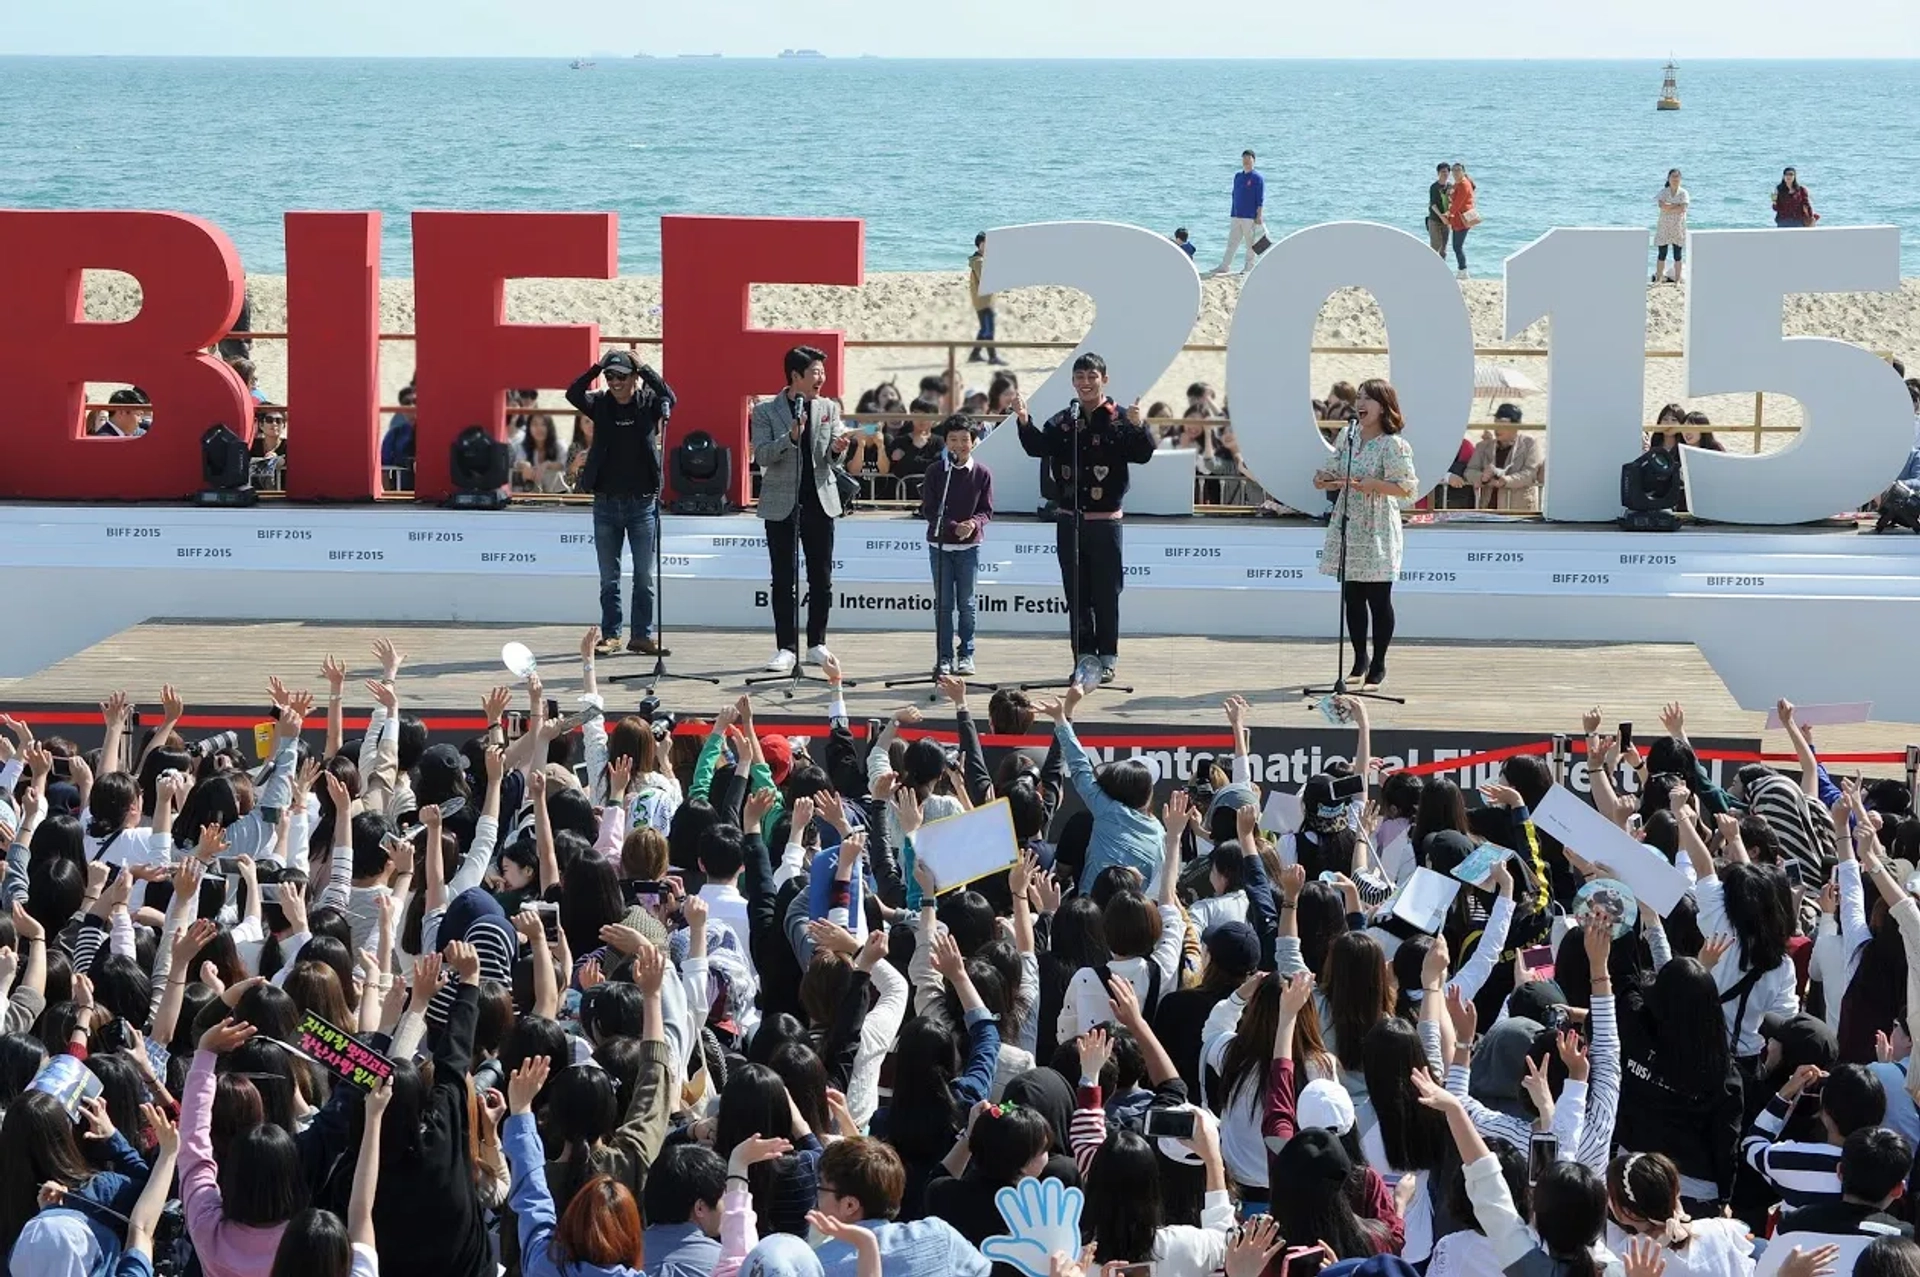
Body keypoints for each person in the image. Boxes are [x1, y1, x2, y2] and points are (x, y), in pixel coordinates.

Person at [1012, 354, 1157, 684]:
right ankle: (1083, 658)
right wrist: (1023, 420)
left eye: (1092, 376)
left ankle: (1107, 657)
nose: (1086, 383)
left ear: (1104, 379)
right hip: (1069, 519)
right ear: (1073, 382)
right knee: (1076, 593)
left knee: (1106, 592)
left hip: (1106, 521)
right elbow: (1038, 447)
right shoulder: (1065, 420)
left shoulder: (1120, 418)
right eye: (1080, 377)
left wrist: (1139, 426)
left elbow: (1143, 454)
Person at [749, 345, 854, 675]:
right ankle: (786, 648)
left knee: (821, 577)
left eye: (823, 372)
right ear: (796, 376)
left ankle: (817, 644)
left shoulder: (828, 407)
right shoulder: (766, 411)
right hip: (781, 503)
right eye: (815, 372)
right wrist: (790, 438)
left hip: (820, 501)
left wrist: (838, 450)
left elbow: (829, 456)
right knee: (783, 579)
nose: (821, 378)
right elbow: (762, 455)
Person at [566, 349, 674, 659]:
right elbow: (573, 393)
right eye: (609, 376)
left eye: (620, 376)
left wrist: (645, 367)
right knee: (608, 578)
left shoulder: (649, 403)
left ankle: (641, 636)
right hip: (606, 504)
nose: (614, 382)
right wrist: (597, 367)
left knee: (643, 576)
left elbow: (671, 398)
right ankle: (611, 635)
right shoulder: (599, 403)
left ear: (634, 378)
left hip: (642, 505)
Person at [1314, 379, 1417, 689]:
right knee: (1353, 595)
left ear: (1383, 406)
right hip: (1349, 519)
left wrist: (1374, 484)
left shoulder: (1393, 444)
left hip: (1377, 525)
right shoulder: (1349, 435)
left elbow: (1407, 488)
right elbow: (1335, 468)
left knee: (1378, 597)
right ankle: (1360, 658)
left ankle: (1380, 662)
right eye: (1358, 397)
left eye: (1367, 398)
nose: (1361, 403)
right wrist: (1324, 479)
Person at [920, 415, 995, 676]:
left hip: (969, 548)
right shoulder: (935, 472)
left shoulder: (982, 473)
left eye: (965, 440)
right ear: (945, 442)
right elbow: (929, 510)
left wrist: (973, 524)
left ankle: (966, 654)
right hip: (940, 547)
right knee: (943, 605)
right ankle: (943, 657)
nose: (959, 445)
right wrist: (953, 527)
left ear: (974, 442)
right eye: (953, 439)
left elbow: (987, 510)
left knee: (967, 604)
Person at [1465, 404, 1543, 511]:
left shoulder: (1529, 444)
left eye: (1503, 425)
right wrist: (1482, 477)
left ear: (1516, 427)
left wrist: (1506, 480)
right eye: (1495, 424)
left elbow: (1531, 473)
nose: (1497, 429)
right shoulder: (1483, 446)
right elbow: (1469, 471)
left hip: (1518, 509)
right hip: (1487, 507)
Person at [1210, 150, 1265, 277]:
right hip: (1236, 214)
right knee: (1232, 242)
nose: (1246, 161)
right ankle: (1224, 266)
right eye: (1244, 158)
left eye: (1248, 158)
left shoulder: (1257, 178)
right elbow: (1234, 194)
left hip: (1249, 216)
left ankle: (1249, 267)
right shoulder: (1238, 176)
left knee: (1250, 243)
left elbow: (1260, 199)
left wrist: (1259, 215)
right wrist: (1233, 211)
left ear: (1253, 160)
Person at [967, 234, 1003, 366]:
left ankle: (975, 354)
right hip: (983, 301)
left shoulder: (981, 260)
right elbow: (987, 279)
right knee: (988, 329)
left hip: (983, 299)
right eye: (984, 244)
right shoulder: (979, 262)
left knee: (984, 329)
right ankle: (992, 357)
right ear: (979, 245)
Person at [1656, 169, 1690, 284]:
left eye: (1677, 177)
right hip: (1664, 226)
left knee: (1678, 254)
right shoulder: (1663, 192)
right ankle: (1658, 278)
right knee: (1662, 253)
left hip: (1678, 227)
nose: (1675, 179)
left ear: (1680, 179)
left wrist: (1669, 207)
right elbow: (1662, 206)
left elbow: (1683, 208)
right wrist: (1676, 205)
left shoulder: (1683, 193)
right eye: (1672, 177)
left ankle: (1677, 280)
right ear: (1668, 178)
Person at [1445, 163, 1477, 280]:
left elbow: (1458, 203)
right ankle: (1462, 270)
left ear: (1463, 171)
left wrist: (1448, 213)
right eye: (1453, 171)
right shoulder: (1458, 183)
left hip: (1463, 218)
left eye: (1458, 170)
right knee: (1457, 246)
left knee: (1457, 246)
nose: (1455, 173)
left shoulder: (1463, 184)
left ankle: (1463, 270)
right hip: (1458, 218)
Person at [1426, 163, 1453, 258]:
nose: (1444, 174)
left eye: (1446, 172)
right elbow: (1432, 204)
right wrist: (1441, 216)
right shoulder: (1434, 187)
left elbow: (1452, 202)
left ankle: (1442, 269)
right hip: (1434, 220)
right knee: (1434, 246)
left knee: (1444, 249)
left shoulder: (1450, 186)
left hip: (1446, 221)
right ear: (1438, 173)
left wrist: (1448, 215)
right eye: (1442, 172)